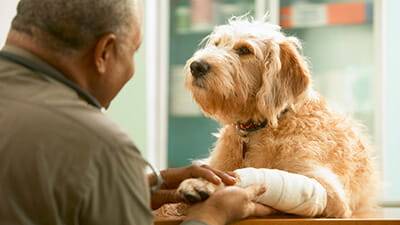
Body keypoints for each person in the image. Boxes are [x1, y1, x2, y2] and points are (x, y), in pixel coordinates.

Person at [0, 0, 274, 224]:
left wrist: (128, 187)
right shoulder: (98, 144)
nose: (131, 69)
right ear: (104, 52)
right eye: (133, 51)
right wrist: (212, 216)